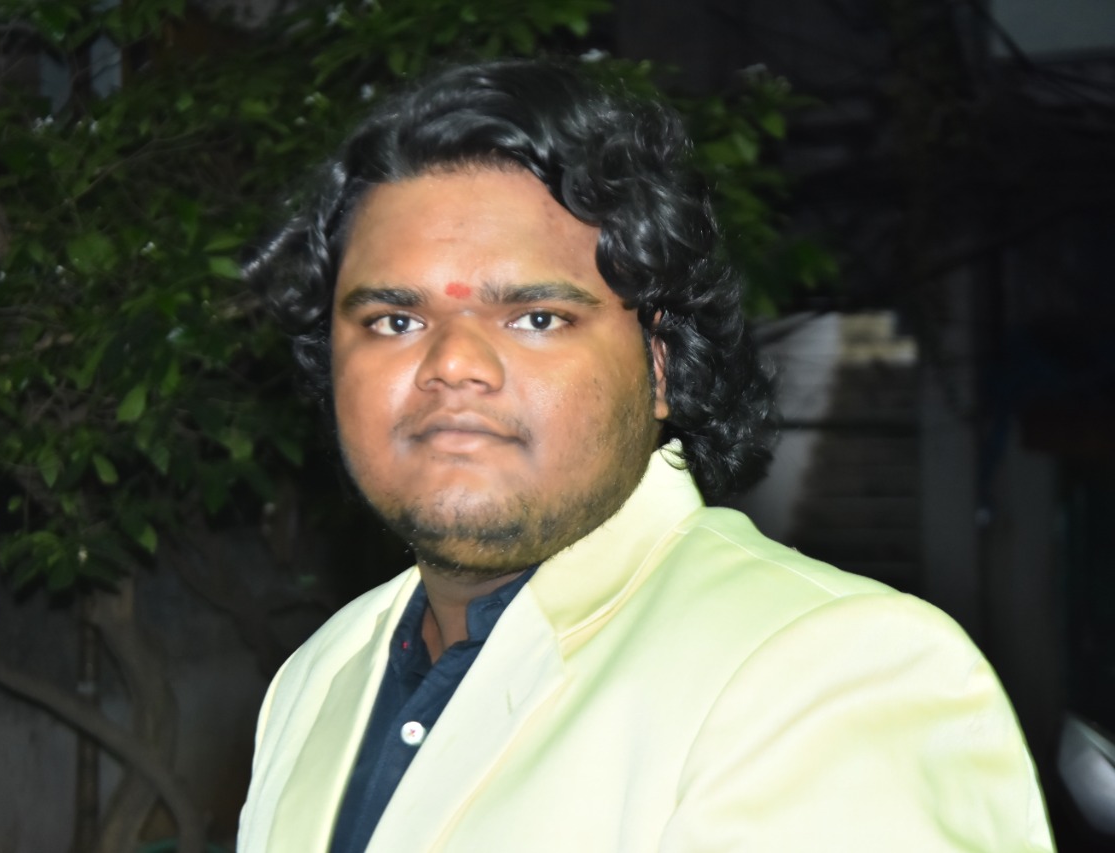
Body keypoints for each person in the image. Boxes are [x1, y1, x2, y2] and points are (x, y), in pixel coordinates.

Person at [236, 59, 1053, 852]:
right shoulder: (318, 678)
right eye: (394, 321)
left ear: (660, 366)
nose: (452, 362)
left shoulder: (832, 673)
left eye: (537, 318)